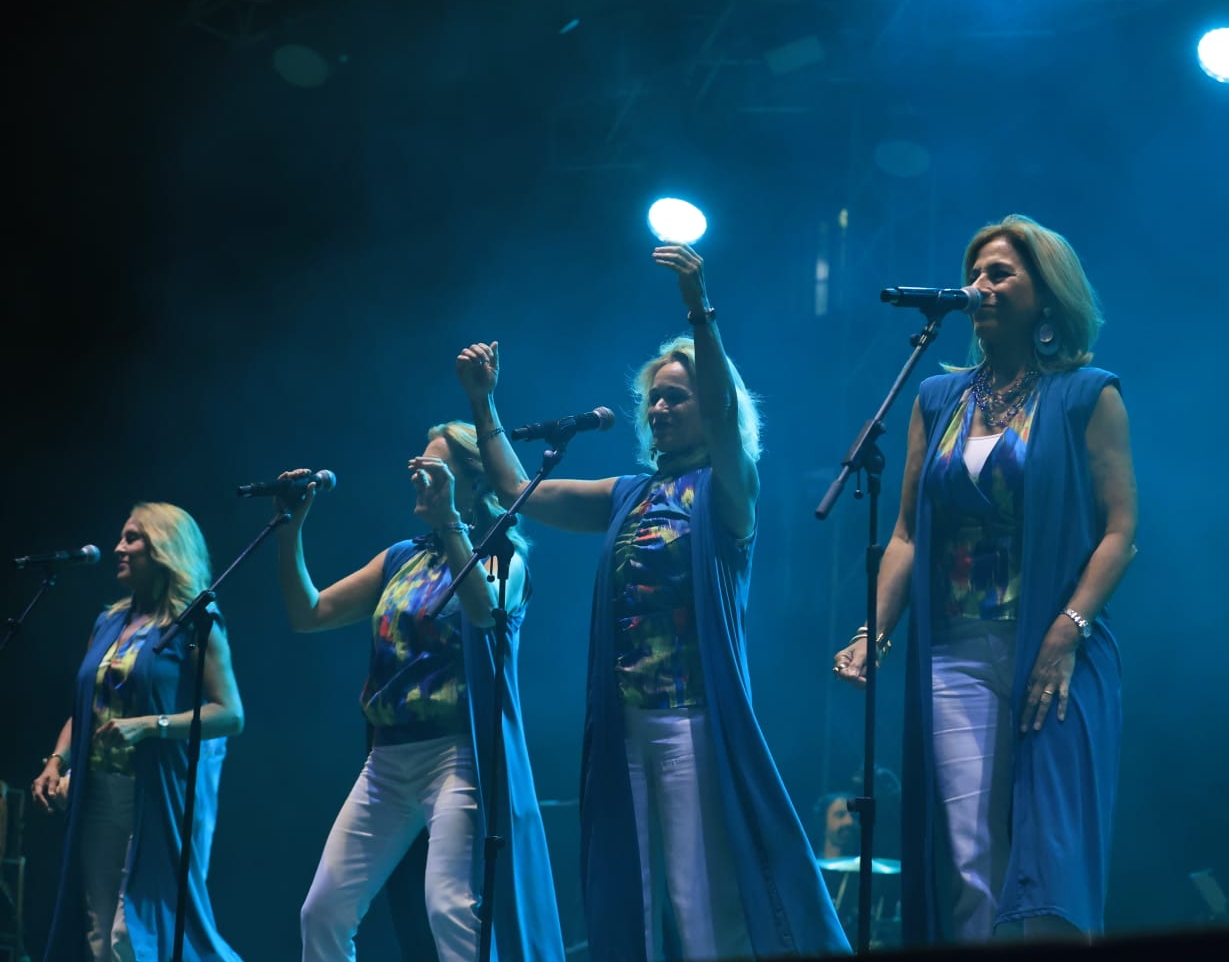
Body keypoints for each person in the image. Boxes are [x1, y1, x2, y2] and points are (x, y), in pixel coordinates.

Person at [456, 243, 849, 961]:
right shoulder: (626, 495)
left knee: (699, 902)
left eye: (679, 395)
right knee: (626, 895)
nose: (662, 406)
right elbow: (518, 493)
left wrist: (699, 307)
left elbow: (729, 419)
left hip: (692, 720)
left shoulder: (729, 492)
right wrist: (483, 403)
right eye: (655, 398)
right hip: (623, 723)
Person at [834, 214, 1138, 944]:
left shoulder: (1086, 394)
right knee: (970, 854)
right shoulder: (938, 400)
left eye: (1001, 273)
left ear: (1046, 293)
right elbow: (906, 532)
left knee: (1053, 858)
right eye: (976, 274)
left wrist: (1067, 633)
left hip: (1053, 649)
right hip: (955, 653)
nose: (981, 287)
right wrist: (875, 628)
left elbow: (1121, 532)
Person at [273, 424, 563, 961]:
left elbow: (481, 612)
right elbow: (307, 613)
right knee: (323, 911)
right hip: (386, 760)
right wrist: (291, 528)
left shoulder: (502, 556)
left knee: (450, 907)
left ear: (472, 485)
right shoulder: (400, 557)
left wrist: (450, 522)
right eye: (419, 469)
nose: (420, 479)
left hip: (455, 755)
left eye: (436, 472)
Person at [32, 503, 245, 961]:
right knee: (99, 926)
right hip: (98, 791)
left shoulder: (193, 623)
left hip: (159, 793)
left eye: (133, 539)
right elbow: (83, 708)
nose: (118, 548)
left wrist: (150, 726)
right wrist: (56, 761)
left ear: (165, 549)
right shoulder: (108, 621)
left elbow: (230, 714)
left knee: (139, 930)